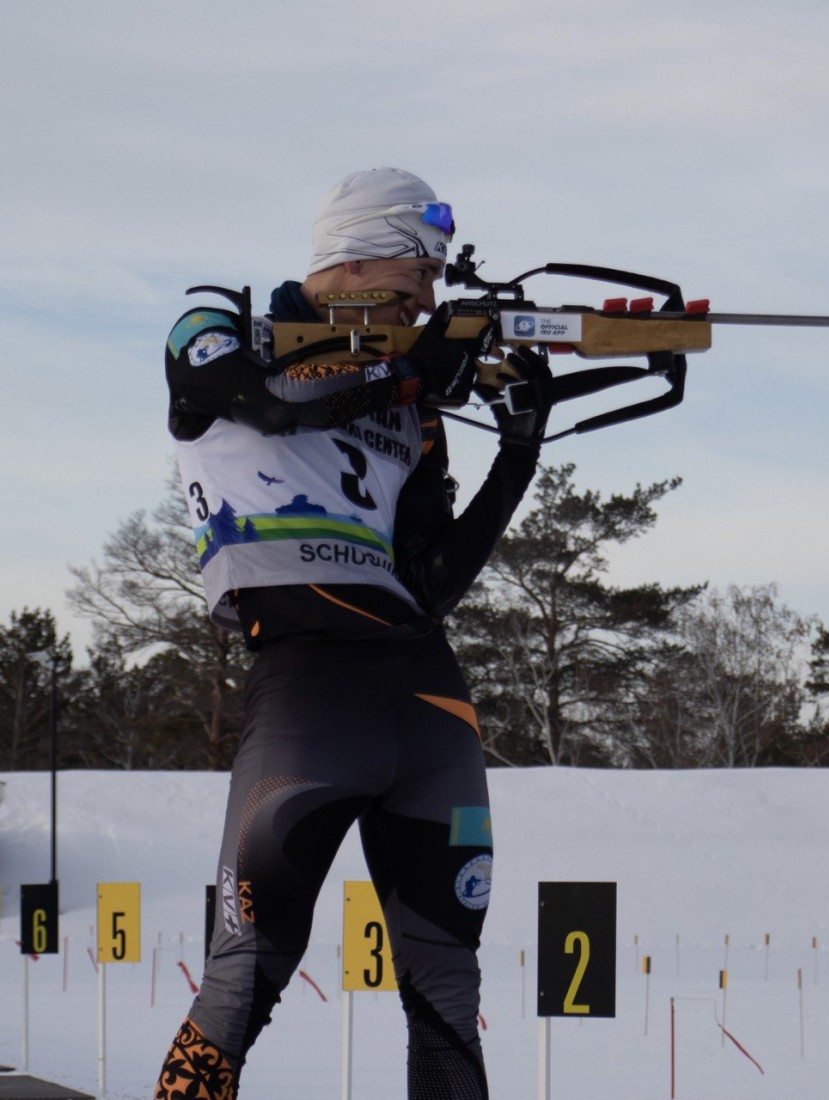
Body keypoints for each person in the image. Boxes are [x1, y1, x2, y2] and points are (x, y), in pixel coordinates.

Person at [154, 168, 551, 1100]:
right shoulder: (222, 328)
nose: (430, 294)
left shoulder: (411, 404)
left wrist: (518, 453)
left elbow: (431, 581)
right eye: (419, 271)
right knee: (244, 980)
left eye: (438, 280)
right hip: (306, 688)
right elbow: (270, 401)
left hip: (426, 693)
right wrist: (413, 368)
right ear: (358, 252)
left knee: (448, 990)